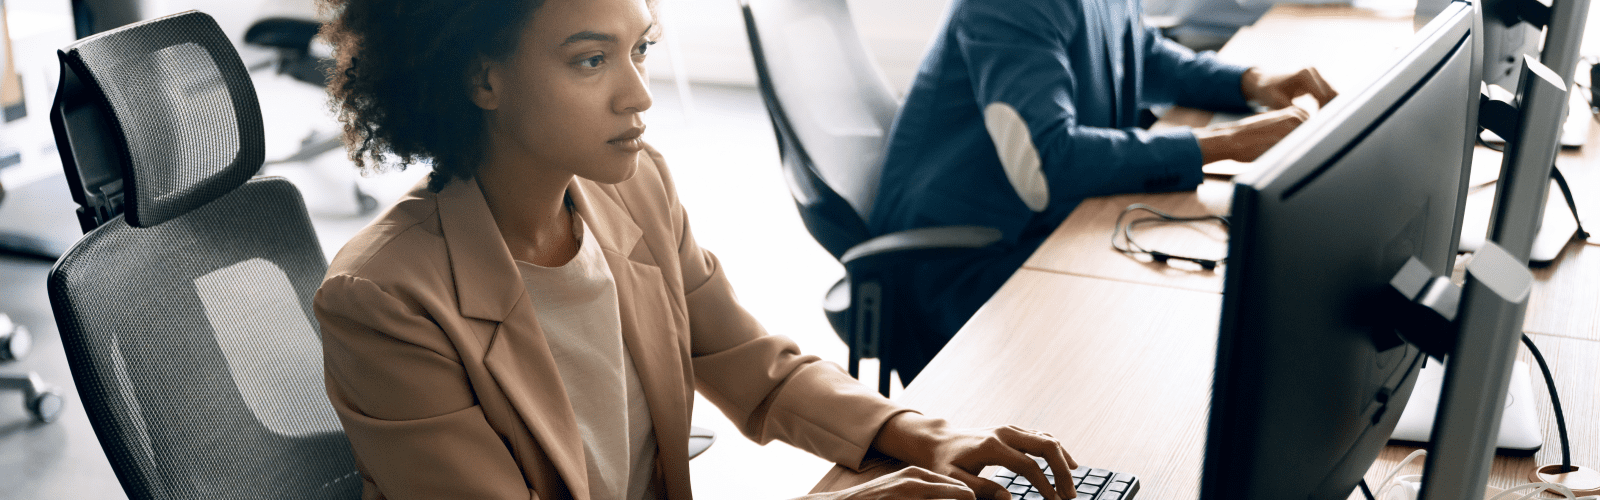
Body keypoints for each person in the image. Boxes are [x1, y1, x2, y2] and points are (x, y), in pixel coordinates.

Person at [313, 0, 1083, 499]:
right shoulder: (384, 300)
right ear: (482, 79)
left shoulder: (633, 188)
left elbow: (759, 371)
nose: (639, 94)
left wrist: (928, 435)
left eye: (639, 49)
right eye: (591, 59)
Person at [867, 0, 1338, 382]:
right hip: (960, 262)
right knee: (1172, 333)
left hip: (1045, 226)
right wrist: (1227, 144)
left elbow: (1143, 52)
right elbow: (1048, 163)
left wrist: (1249, 82)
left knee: (1191, 297)